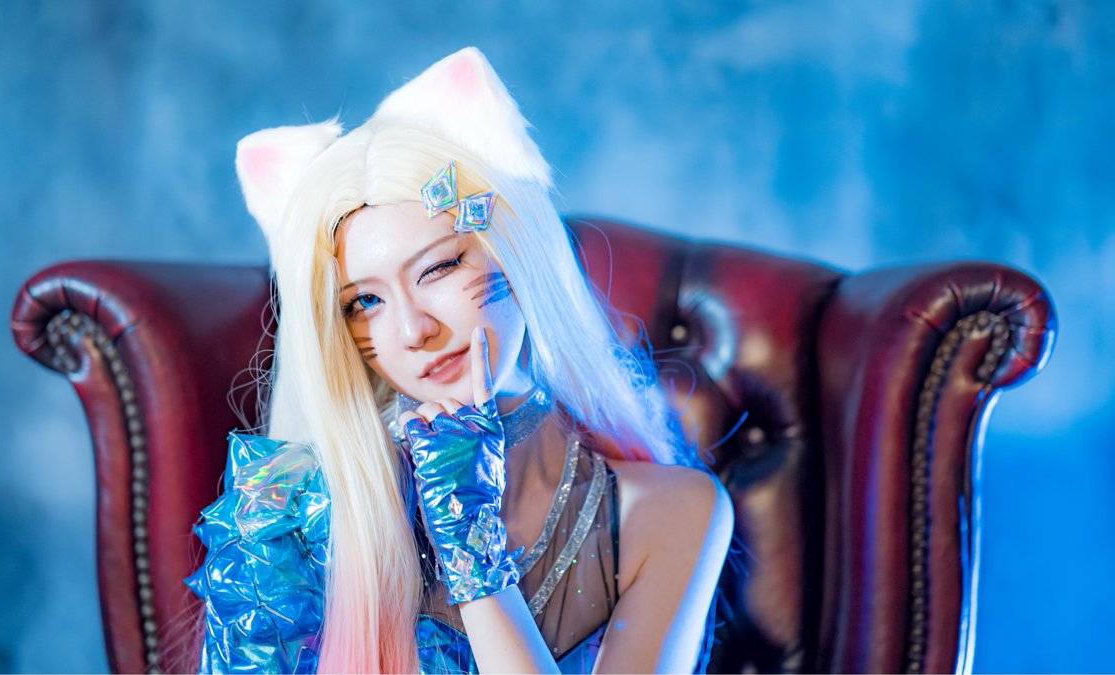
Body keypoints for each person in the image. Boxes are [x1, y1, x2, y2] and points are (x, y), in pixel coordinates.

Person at [186, 47, 734, 674]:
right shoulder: (290, 518)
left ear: (516, 249)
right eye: (365, 302)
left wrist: (470, 545)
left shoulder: (671, 512)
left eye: (440, 267)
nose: (414, 330)